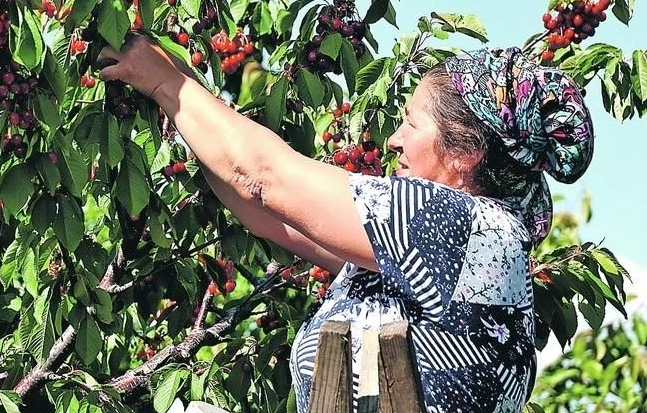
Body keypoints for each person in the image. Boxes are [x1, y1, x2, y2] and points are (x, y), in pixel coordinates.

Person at [97, 36, 594, 413]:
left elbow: (264, 176)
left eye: (412, 123)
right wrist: (180, 90)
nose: (394, 140)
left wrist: (166, 82)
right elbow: (265, 214)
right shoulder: (454, 249)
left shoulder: (458, 226)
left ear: (465, 153)